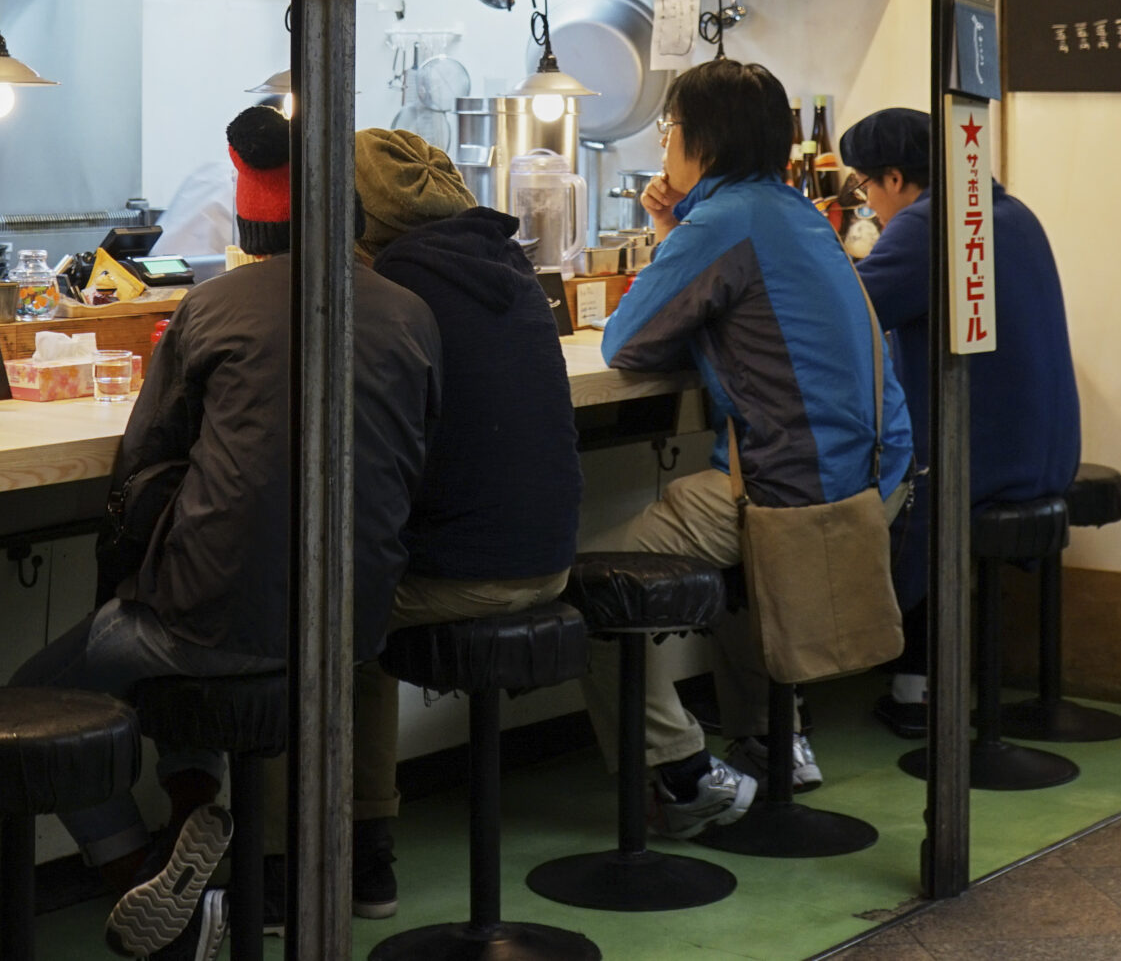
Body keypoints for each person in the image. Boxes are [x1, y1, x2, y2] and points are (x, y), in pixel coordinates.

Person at [14, 105, 439, 961]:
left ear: (247, 225)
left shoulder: (209, 309)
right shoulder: (410, 314)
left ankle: (141, 874)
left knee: (52, 688)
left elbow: (139, 466)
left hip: (215, 620)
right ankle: (187, 826)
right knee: (181, 615)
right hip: (353, 628)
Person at [588, 59, 914, 836]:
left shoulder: (725, 222)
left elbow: (624, 344)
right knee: (729, 528)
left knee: (591, 589)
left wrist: (678, 235)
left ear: (700, 139)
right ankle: (778, 738)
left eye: (668, 129)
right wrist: (677, 232)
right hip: (879, 477)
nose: (664, 144)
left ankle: (683, 772)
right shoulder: (794, 211)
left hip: (796, 492)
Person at [349, 128, 582, 918]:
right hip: (551, 561)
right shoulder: (506, 266)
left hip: (465, 579)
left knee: (327, 619)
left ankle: (341, 853)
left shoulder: (390, 295)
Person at [839, 106, 1082, 737]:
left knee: (887, 498)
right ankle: (927, 680)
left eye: (866, 186)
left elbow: (851, 312)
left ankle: (917, 689)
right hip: (1045, 446)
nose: (868, 203)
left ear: (895, 178)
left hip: (986, 458)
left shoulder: (926, 225)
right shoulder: (1006, 210)